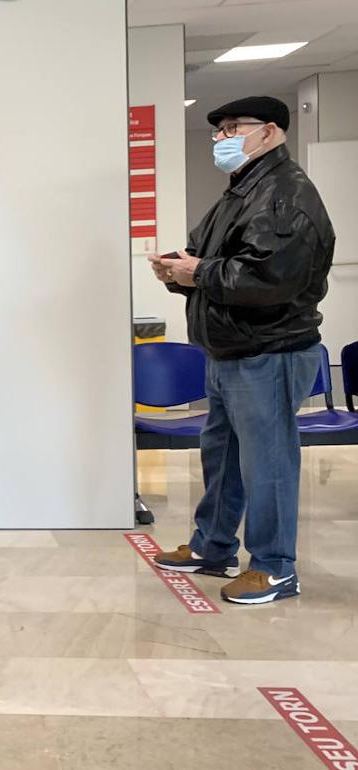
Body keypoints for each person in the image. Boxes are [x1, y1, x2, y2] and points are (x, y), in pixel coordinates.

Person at [150, 96, 334, 605]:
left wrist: (198, 272)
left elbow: (267, 279)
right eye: (218, 130)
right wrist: (180, 270)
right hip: (231, 348)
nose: (222, 138)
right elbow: (212, 256)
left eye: (233, 128)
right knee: (223, 455)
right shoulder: (243, 190)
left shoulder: (284, 196)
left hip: (269, 349)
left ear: (270, 132)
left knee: (268, 461)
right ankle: (213, 546)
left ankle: (275, 567)